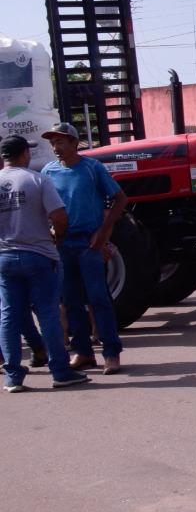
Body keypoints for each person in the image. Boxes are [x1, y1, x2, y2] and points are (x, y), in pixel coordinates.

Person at [0, 134, 88, 391]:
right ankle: (60, 372)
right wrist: (55, 238)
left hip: (5, 257)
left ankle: (13, 377)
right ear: (24, 154)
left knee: (8, 316)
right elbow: (59, 217)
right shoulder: (37, 179)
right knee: (48, 313)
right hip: (39, 255)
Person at [40, 123, 126, 375]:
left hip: (89, 243)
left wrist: (103, 234)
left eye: (61, 142)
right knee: (71, 301)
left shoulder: (92, 169)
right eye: (53, 143)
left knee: (98, 297)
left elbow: (119, 199)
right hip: (63, 244)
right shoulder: (49, 171)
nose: (56, 148)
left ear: (75, 143)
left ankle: (111, 352)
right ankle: (84, 353)